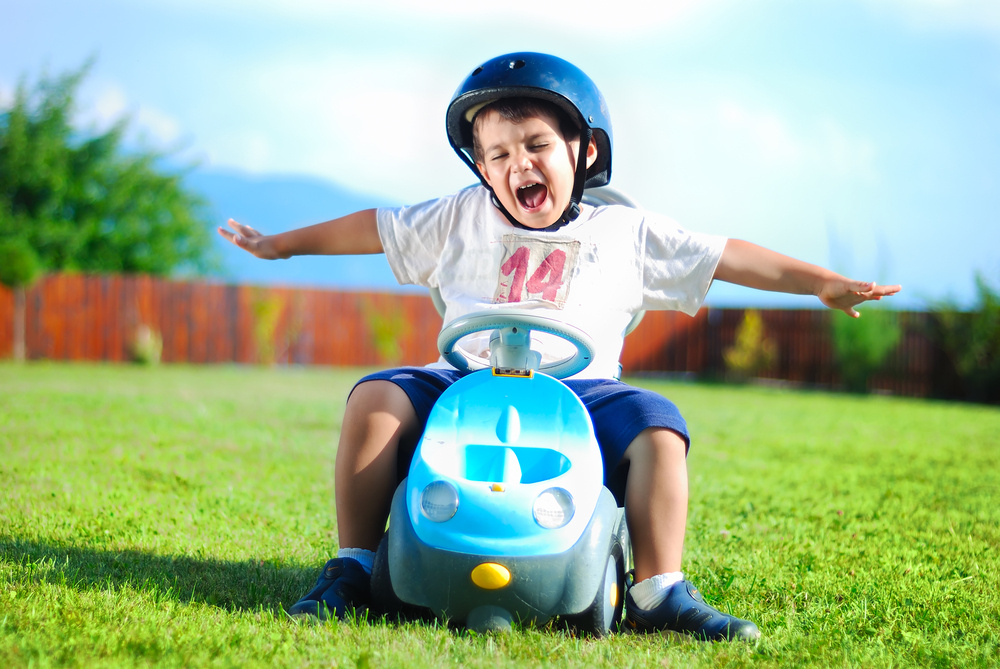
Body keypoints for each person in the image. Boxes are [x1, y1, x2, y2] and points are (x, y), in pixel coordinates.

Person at [218, 52, 900, 641]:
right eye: (498, 154)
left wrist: (822, 282)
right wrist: (281, 244)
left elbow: (723, 256)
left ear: (586, 150)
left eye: (537, 145)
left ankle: (659, 588)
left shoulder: (625, 232)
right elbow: (376, 227)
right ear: (481, 167)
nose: (518, 165)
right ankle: (354, 567)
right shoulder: (460, 216)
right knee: (375, 396)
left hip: (581, 391)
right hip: (461, 378)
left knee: (660, 427)